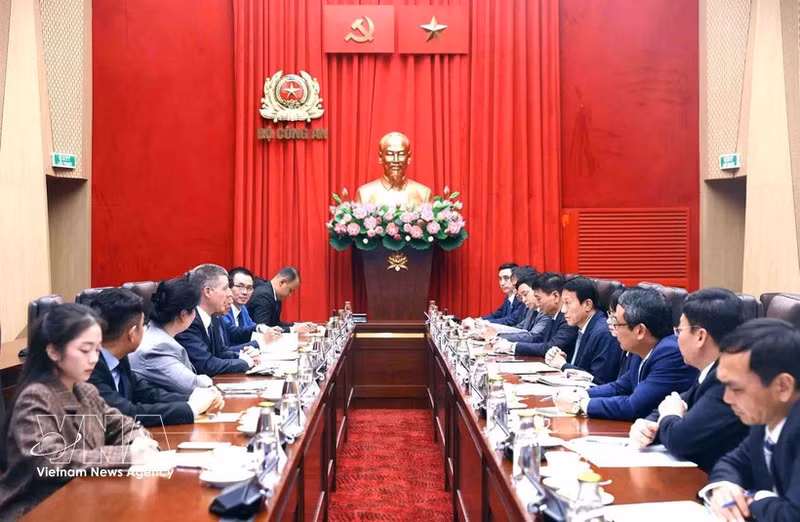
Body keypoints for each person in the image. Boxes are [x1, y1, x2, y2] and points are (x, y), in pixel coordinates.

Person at [0, 304, 159, 519]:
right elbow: (50, 462)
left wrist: (137, 441)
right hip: (36, 509)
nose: (94, 358)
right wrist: (127, 455)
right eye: (85, 350)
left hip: (83, 499)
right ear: (53, 351)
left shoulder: (85, 390)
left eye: (97, 349)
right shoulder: (35, 397)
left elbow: (123, 424)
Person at [628, 288, 749, 471]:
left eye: (679, 331)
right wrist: (647, 425)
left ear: (700, 336)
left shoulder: (727, 380)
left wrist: (670, 416)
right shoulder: (708, 371)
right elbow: (673, 404)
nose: (677, 339)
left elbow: (681, 439)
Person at [700, 318, 800, 522]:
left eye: (736, 388)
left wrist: (753, 499)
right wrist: (723, 488)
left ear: (783, 386)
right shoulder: (767, 419)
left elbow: (793, 515)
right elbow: (732, 463)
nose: (726, 399)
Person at [555, 288, 698, 420]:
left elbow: (633, 406)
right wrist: (580, 394)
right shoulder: (641, 348)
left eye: (617, 323)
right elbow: (620, 387)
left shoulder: (670, 353)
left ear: (640, 331)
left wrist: (580, 404)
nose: (612, 328)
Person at [88, 288, 224, 426]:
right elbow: (126, 413)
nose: (146, 329)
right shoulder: (90, 367)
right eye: (143, 325)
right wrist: (191, 408)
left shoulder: (119, 357)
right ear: (132, 334)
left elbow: (147, 393)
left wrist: (193, 398)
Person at [178, 264, 274, 376]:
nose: (229, 293)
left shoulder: (213, 316)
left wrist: (242, 356)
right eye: (225, 288)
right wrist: (245, 363)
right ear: (208, 292)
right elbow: (205, 364)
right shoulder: (189, 320)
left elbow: (221, 352)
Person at [130, 278, 217, 394]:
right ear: (184, 315)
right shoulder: (159, 346)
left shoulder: (153, 331)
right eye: (195, 309)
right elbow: (191, 386)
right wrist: (204, 380)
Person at [544, 277, 622, 384]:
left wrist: (563, 365)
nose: (563, 310)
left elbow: (598, 381)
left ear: (587, 305)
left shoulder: (604, 333)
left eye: (567, 303)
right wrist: (564, 359)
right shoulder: (581, 325)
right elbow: (584, 366)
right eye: (563, 303)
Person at [493, 273, 578, 358]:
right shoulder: (553, 316)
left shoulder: (568, 318)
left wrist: (512, 347)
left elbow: (550, 347)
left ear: (555, 296)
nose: (537, 303)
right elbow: (538, 338)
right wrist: (506, 342)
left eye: (539, 299)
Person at [354, 131, 432, 206]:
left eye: (401, 154)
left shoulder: (423, 194)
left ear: (409, 157)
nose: (396, 160)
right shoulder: (365, 194)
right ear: (380, 157)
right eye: (390, 154)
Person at [247, 266, 313, 333]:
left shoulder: (275, 295)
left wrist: (298, 325)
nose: (290, 295)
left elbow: (275, 323)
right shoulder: (263, 296)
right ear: (282, 282)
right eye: (290, 290)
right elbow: (264, 329)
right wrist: (294, 330)